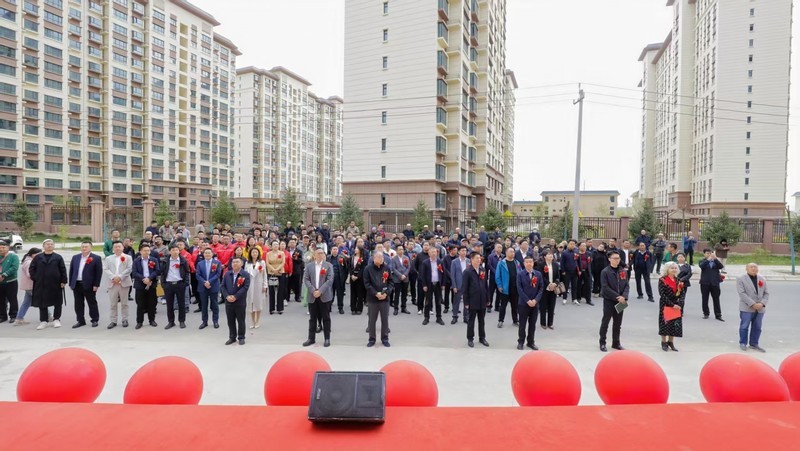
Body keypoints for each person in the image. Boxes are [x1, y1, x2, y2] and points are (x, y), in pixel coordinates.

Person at [29, 239, 67, 330]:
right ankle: (43, 321)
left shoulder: (58, 257)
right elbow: (32, 269)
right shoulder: (38, 257)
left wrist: (63, 281)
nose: (49, 245)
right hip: (41, 284)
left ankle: (56, 319)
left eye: (51, 244)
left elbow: (63, 269)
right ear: (43, 246)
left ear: (54, 246)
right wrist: (36, 278)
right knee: (42, 303)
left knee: (57, 302)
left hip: (55, 283)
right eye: (47, 244)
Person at [302, 249, 334, 347]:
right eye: (318, 253)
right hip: (312, 295)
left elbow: (329, 280)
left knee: (326, 318)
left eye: (322, 253)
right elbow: (306, 279)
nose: (320, 255)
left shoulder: (328, 265)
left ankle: (327, 338)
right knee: (312, 318)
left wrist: (320, 291)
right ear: (314, 255)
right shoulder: (309, 266)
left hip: (324, 295)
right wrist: (313, 290)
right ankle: (311, 338)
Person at [599, 251, 629, 352]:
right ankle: (602, 342)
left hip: (621, 301)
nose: (617, 260)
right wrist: (617, 296)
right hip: (609, 300)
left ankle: (616, 343)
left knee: (618, 323)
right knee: (605, 322)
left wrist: (624, 296)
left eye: (618, 258)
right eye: (615, 258)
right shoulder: (605, 271)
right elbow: (605, 287)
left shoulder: (623, 271)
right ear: (609, 259)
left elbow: (626, 285)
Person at [69, 241, 103, 328]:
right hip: (77, 284)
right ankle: (80, 320)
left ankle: (94, 319)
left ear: (91, 248)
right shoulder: (75, 257)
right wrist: (71, 283)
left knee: (92, 303)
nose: (84, 248)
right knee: (78, 304)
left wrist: (96, 284)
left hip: (89, 284)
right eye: (82, 246)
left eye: (86, 247)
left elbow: (98, 273)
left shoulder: (96, 258)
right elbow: (71, 271)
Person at [363, 251, 394, 347]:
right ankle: (372, 339)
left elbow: (391, 282)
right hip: (373, 299)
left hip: (384, 298)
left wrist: (386, 293)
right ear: (374, 258)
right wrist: (376, 293)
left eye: (382, 257)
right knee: (372, 320)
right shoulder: (368, 269)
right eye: (379, 257)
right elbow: (367, 284)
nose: (381, 259)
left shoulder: (386, 268)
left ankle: (385, 338)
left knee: (385, 320)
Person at [737, 263, 769, 352]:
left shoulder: (762, 279)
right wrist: (753, 304)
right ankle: (743, 343)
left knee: (757, 327)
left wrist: (762, 303)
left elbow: (766, 293)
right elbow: (742, 293)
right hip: (747, 307)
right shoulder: (741, 279)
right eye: (751, 267)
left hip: (760, 308)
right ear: (746, 269)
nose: (754, 268)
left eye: (755, 267)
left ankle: (754, 343)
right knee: (744, 326)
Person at [461, 252, 490, 348]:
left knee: (482, 321)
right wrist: (466, 302)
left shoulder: (482, 269)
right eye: (477, 258)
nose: (479, 260)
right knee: (471, 321)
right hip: (472, 300)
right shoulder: (467, 272)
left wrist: (488, 298)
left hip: (482, 300)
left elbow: (485, 285)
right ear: (472, 259)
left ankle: (482, 337)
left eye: (480, 258)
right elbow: (465, 288)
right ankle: (470, 338)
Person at [516, 256, 544, 350]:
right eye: (527, 262)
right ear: (524, 263)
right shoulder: (520, 274)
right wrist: (527, 300)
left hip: (535, 304)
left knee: (532, 324)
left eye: (530, 262)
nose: (529, 264)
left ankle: (531, 342)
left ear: (533, 263)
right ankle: (521, 341)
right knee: (522, 324)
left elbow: (541, 288)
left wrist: (535, 300)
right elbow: (519, 289)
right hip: (523, 304)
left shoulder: (538, 274)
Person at [103, 241, 133, 329]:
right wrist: (113, 277)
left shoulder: (128, 257)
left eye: (119, 246)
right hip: (112, 283)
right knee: (113, 303)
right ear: (113, 248)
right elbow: (106, 269)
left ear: (123, 247)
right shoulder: (108, 258)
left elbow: (129, 268)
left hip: (124, 282)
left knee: (124, 303)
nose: (117, 248)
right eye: (115, 247)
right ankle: (113, 320)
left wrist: (120, 277)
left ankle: (125, 319)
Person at [160, 244, 190, 329]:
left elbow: (187, 272)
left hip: (180, 284)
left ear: (179, 251)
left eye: (176, 250)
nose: (175, 252)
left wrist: (185, 283)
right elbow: (162, 273)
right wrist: (163, 284)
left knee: (181, 304)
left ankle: (182, 321)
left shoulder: (183, 260)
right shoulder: (165, 261)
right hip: (168, 284)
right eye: (173, 250)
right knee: (169, 305)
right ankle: (171, 321)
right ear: (170, 251)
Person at [131, 243, 161, 329]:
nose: (146, 252)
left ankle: (152, 320)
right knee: (140, 304)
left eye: (148, 250)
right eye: (144, 250)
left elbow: (157, 271)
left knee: (152, 303)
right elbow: (134, 273)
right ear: (140, 251)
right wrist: (144, 279)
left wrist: (149, 278)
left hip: (151, 284)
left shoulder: (154, 260)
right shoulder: (136, 261)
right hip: (140, 284)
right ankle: (139, 322)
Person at [222, 257, 250, 345]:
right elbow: (223, 286)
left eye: (237, 262)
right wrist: (227, 296)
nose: (235, 263)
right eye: (233, 262)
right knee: (230, 320)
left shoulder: (245, 274)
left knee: (240, 320)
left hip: (239, 301)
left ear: (241, 264)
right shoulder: (227, 274)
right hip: (228, 301)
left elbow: (245, 287)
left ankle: (241, 337)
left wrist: (236, 296)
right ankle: (232, 337)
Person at [658, 262, 684, 352]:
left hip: (676, 305)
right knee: (665, 324)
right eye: (672, 268)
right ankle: (663, 342)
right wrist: (672, 304)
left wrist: (680, 303)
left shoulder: (679, 280)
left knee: (674, 324)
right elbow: (662, 294)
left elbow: (682, 293)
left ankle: (671, 342)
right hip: (666, 304)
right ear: (667, 269)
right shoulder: (662, 280)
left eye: (675, 268)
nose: (674, 269)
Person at [196, 248, 222, 329]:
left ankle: (215, 321)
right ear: (203, 254)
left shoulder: (217, 263)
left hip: (213, 286)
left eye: (209, 253)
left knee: (214, 305)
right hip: (203, 287)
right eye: (206, 253)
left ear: (212, 254)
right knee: (204, 305)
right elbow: (197, 275)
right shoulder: (200, 264)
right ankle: (204, 321)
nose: (207, 254)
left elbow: (218, 274)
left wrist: (209, 282)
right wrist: (204, 282)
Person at [494, 247, 520, 328]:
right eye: (511, 252)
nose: (512, 253)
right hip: (505, 288)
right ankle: (500, 320)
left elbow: (520, 273)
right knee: (503, 305)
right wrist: (499, 285)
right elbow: (497, 276)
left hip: (515, 288)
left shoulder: (517, 262)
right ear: (506, 253)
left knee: (515, 306)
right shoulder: (501, 263)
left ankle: (515, 320)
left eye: (513, 252)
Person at [14, 248, 41, 326]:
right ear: (32, 254)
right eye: (38, 254)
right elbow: (30, 274)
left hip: (29, 286)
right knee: (41, 301)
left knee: (26, 303)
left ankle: (19, 318)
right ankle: (49, 316)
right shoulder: (29, 262)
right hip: (31, 286)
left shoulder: (29, 260)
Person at [419, 247, 445, 326]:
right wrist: (424, 285)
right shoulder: (425, 262)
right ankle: (426, 318)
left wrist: (443, 284)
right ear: (429, 253)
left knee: (438, 302)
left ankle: (439, 318)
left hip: (437, 284)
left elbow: (443, 273)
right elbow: (423, 275)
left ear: (437, 253)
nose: (434, 253)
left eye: (435, 252)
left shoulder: (440, 261)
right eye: (432, 252)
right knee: (427, 302)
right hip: (429, 284)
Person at [699, 248, 725, 321]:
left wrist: (715, 259)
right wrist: (708, 260)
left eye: (710, 253)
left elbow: (721, 266)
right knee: (705, 298)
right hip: (705, 283)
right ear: (704, 254)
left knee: (716, 299)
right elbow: (701, 266)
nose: (709, 255)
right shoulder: (702, 261)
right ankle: (706, 313)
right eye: (707, 253)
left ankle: (718, 315)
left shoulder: (715, 261)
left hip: (715, 282)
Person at [244, 247, 267, 329]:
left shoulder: (262, 262)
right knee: (251, 303)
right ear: (250, 253)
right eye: (253, 252)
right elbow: (245, 275)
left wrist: (265, 285)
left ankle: (257, 321)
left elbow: (264, 275)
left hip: (259, 284)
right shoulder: (247, 263)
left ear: (258, 253)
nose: (254, 254)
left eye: (256, 252)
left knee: (258, 303)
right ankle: (252, 321)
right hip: (250, 285)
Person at [538, 250, 561, 330]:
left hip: (553, 288)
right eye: (548, 254)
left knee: (552, 306)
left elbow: (558, 276)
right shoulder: (541, 265)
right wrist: (549, 284)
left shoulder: (555, 265)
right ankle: (543, 323)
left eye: (551, 254)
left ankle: (550, 323)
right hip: (545, 288)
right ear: (545, 256)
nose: (551, 255)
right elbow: (541, 276)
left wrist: (555, 283)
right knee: (543, 306)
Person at [0, 239, 20, 323]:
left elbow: (14, 267)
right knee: (1, 300)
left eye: (3, 247)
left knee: (12, 299)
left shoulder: (13, 256)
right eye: (0, 247)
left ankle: (13, 315)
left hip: (11, 281)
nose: (1, 249)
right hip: (1, 282)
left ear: (8, 247)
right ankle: (2, 316)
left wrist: (4, 275)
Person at [449, 246, 470, 324]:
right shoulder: (454, 262)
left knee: (466, 302)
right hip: (458, 285)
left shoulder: (468, 261)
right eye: (462, 251)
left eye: (465, 251)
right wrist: (454, 286)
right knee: (456, 302)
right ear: (458, 252)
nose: (464, 252)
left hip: (467, 285)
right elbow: (452, 275)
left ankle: (466, 317)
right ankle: (455, 317)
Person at [265, 241, 287, 315]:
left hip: (280, 272)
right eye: (274, 244)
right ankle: (271, 308)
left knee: (280, 290)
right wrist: (273, 270)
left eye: (277, 244)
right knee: (271, 291)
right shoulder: (268, 254)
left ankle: (280, 308)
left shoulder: (282, 253)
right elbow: (267, 263)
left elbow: (283, 262)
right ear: (271, 246)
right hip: (271, 273)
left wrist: (277, 269)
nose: (276, 246)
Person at [391, 246, 410, 315]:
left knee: (404, 294)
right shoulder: (394, 259)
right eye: (399, 249)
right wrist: (400, 275)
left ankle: (403, 307)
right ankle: (396, 308)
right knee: (397, 294)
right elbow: (393, 269)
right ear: (396, 251)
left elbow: (408, 267)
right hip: (397, 278)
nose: (401, 251)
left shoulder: (406, 258)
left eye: (402, 249)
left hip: (405, 278)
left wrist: (404, 275)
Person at [560, 240, 579, 305]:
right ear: (568, 245)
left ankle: (574, 299)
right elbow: (562, 263)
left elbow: (578, 261)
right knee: (566, 286)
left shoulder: (576, 252)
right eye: (571, 244)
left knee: (574, 286)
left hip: (575, 272)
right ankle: (564, 298)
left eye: (573, 244)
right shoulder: (564, 252)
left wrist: (580, 270)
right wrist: (563, 271)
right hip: (567, 272)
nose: (572, 245)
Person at [350, 247, 366, 315]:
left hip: (360, 278)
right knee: (353, 293)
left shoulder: (363, 258)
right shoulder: (352, 257)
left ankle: (359, 308)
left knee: (360, 294)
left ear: (360, 250)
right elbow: (350, 267)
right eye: (355, 249)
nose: (355, 250)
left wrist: (358, 276)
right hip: (352, 277)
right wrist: (351, 275)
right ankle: (353, 308)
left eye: (356, 249)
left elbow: (363, 268)